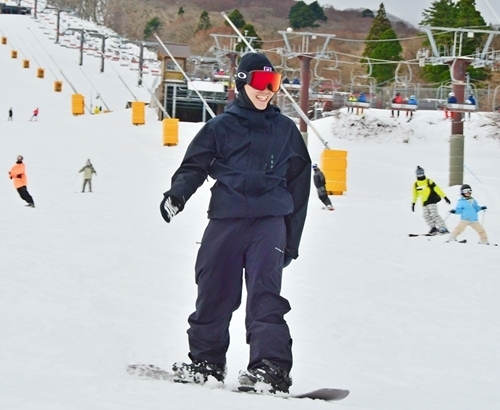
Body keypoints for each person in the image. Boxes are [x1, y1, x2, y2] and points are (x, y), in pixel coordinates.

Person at [160, 52, 311, 393]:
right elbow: (194, 166)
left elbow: (299, 188)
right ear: (242, 83)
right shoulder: (220, 128)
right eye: (259, 82)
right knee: (214, 289)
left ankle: (270, 369)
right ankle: (206, 363)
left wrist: (291, 240)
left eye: (272, 84)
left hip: (268, 222)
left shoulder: (286, 130)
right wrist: (177, 195)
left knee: (265, 295)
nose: (266, 91)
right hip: (226, 219)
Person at [412, 166, 451, 235]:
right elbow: (415, 194)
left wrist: (445, 197)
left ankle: (443, 228)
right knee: (425, 215)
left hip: (431, 201)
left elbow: (437, 189)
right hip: (424, 203)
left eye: (421, 174)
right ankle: (433, 228)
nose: (420, 176)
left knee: (434, 214)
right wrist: (413, 203)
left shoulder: (429, 181)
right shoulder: (416, 184)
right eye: (419, 175)